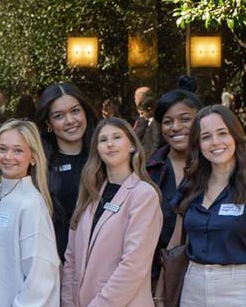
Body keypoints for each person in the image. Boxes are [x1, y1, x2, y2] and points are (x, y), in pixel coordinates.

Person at [172, 105, 246, 307]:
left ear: (235, 136)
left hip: (240, 290)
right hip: (192, 288)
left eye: (222, 133)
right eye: (206, 137)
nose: (215, 142)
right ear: (198, 144)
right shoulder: (190, 189)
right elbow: (174, 246)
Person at [62, 118, 161, 307]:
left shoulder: (144, 195)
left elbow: (133, 265)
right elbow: (71, 257)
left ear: (132, 145)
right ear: (97, 149)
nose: (109, 144)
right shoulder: (89, 193)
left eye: (116, 137)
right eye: (103, 140)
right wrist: (67, 302)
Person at [0, 120, 59, 307]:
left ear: (33, 157)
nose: (8, 157)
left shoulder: (31, 203)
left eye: (18, 150)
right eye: (2, 149)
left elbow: (40, 273)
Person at [146, 80, 202, 299]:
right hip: (158, 277)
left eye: (185, 119)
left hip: (210, 275)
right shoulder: (149, 171)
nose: (176, 127)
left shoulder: (219, 167)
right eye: (167, 121)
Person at [33, 83, 100, 259]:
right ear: (48, 122)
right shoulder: (38, 163)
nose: (70, 120)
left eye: (75, 111)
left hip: (99, 262)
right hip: (55, 262)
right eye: (59, 116)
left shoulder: (104, 155)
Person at [131, 86, 157, 157]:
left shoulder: (156, 121)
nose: (135, 100)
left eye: (135, 98)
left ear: (141, 98)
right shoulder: (139, 119)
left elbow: (155, 145)